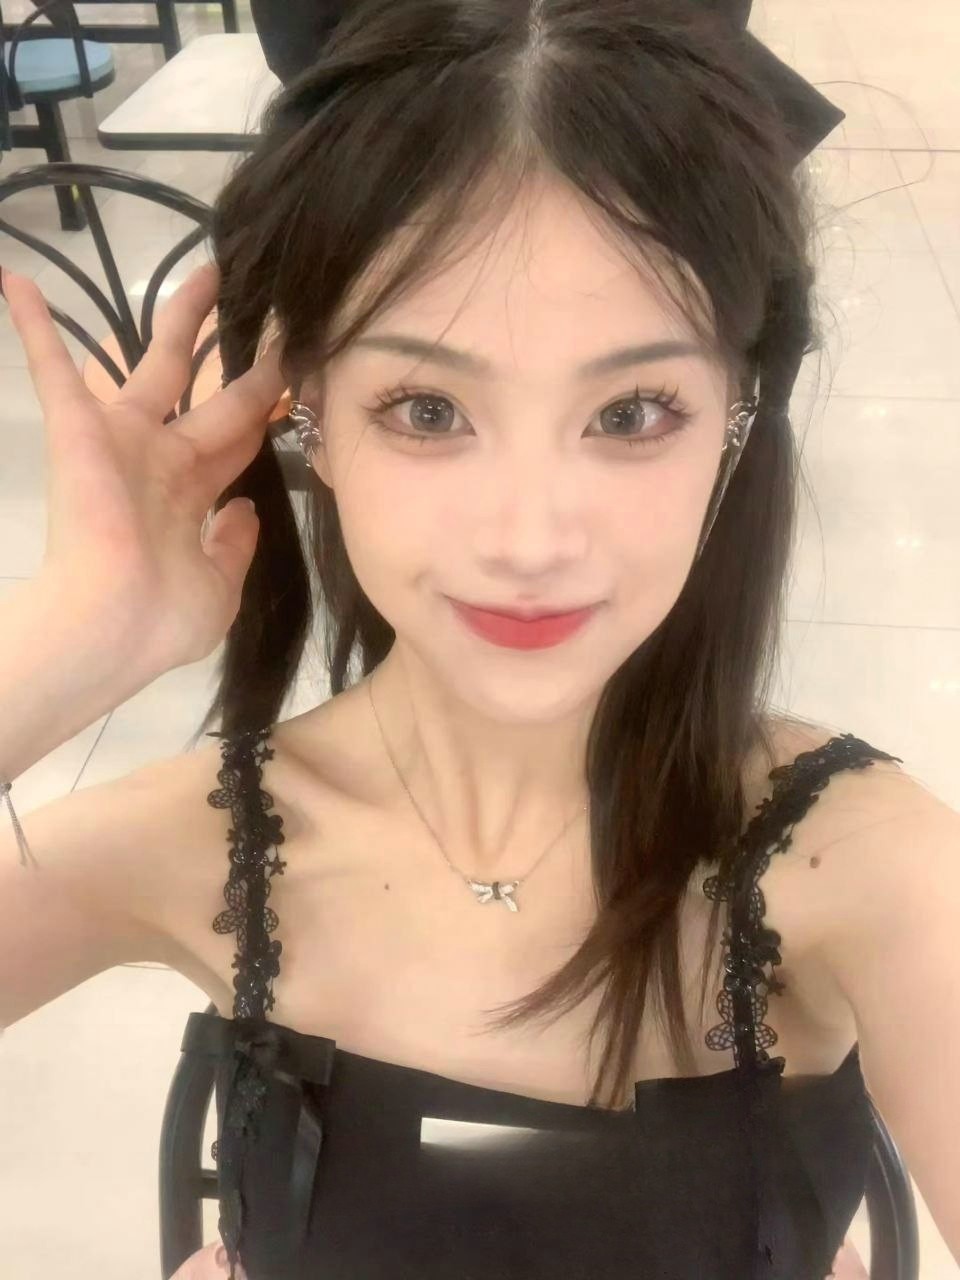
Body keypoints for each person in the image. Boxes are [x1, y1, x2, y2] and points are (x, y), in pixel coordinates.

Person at [2, 2, 958, 1279]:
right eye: (427, 408)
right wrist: (65, 640)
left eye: (632, 410)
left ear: (739, 414)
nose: (529, 536)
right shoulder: (200, 843)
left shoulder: (868, 869)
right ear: (304, 409)